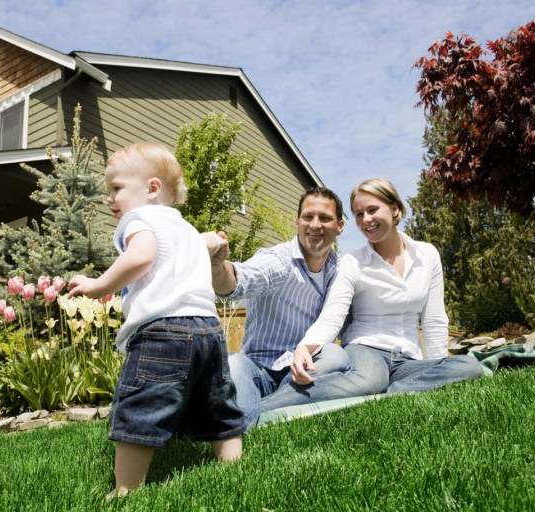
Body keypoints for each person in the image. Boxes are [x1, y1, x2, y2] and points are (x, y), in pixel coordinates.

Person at [67, 142, 245, 498]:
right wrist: (214, 243)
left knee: (142, 405)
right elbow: (205, 244)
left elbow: (142, 256)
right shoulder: (184, 227)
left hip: (164, 331)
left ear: (151, 189)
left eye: (116, 188)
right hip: (208, 329)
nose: (110, 198)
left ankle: (126, 491)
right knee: (216, 404)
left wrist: (97, 284)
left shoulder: (139, 219)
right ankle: (234, 470)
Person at [260, 178, 484, 412]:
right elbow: (333, 315)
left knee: (468, 366)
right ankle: (259, 410)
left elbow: (434, 319)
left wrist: (438, 366)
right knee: (371, 380)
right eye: (358, 214)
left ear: (395, 209)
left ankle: (387, 395)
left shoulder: (427, 255)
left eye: (372, 210)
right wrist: (305, 347)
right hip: (366, 350)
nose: (366, 219)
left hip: (408, 358)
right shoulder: (353, 262)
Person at [205, 186, 363, 427]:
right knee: (234, 364)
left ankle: (256, 414)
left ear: (340, 226)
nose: (315, 224)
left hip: (304, 369)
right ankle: (255, 419)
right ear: (297, 221)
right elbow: (240, 279)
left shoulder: (339, 270)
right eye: (308, 217)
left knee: (335, 356)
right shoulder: (278, 260)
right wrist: (218, 266)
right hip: (258, 368)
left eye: (325, 218)